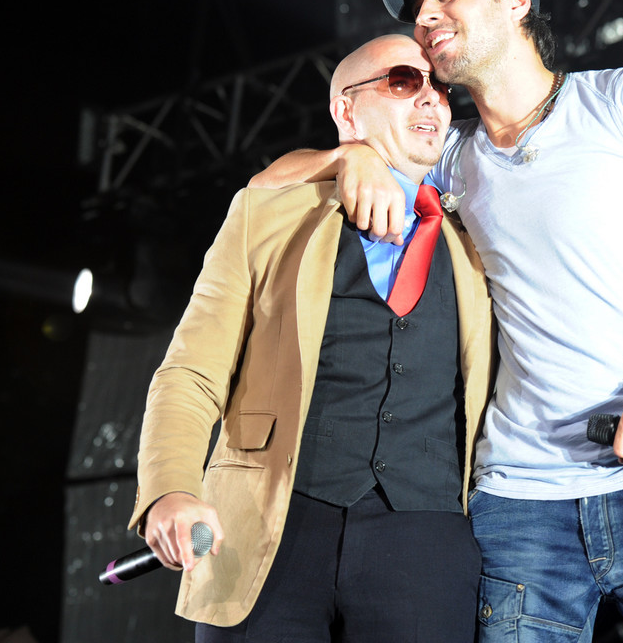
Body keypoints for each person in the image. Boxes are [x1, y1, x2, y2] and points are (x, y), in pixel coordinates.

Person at [250, 0, 623, 643]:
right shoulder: (448, 157)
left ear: (515, 1)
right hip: (519, 504)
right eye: (417, 5)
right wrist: (350, 153)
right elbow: (268, 184)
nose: (425, 17)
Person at [128, 34, 496, 642]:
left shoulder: (480, 236)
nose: (432, 98)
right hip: (269, 527)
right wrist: (168, 490)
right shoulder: (268, 213)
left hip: (425, 537)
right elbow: (191, 372)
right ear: (346, 111)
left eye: (440, 87)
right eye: (405, 81)